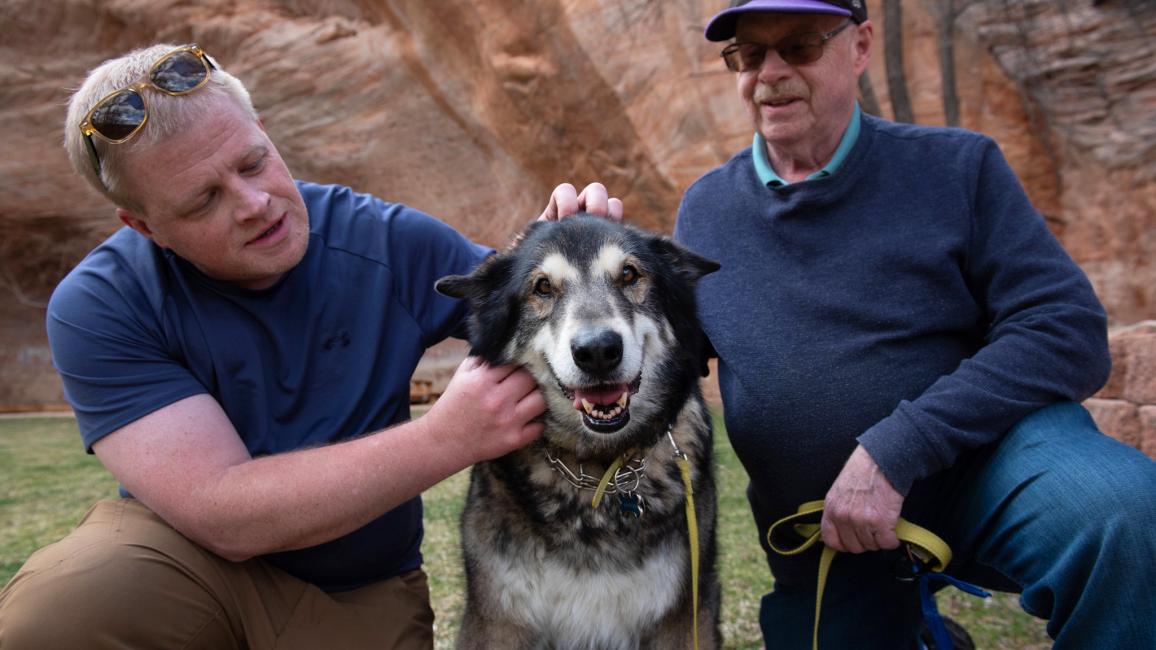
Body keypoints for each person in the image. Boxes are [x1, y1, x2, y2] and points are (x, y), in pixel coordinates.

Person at [0, 43, 618, 648]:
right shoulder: (102, 303)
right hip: (185, 564)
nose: (254, 204)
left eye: (252, 163)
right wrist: (446, 438)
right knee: (58, 614)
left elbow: (535, 320)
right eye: (203, 200)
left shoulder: (383, 240)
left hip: (360, 588)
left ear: (266, 133)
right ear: (144, 226)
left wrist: (571, 262)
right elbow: (222, 512)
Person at [664, 0, 1155, 647]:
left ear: (860, 45)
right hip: (824, 533)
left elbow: (1064, 327)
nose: (770, 73)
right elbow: (656, 359)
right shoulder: (705, 210)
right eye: (750, 56)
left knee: (1124, 514)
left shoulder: (959, 168)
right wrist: (570, 250)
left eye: (800, 46)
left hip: (987, 468)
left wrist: (898, 448)